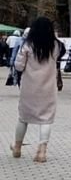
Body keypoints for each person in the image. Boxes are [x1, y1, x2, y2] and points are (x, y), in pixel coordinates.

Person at [10, 17, 61, 163]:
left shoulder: (27, 45)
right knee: (46, 119)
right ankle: (42, 151)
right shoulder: (55, 45)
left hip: (29, 87)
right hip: (48, 87)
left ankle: (17, 147)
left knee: (23, 117)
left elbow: (19, 66)